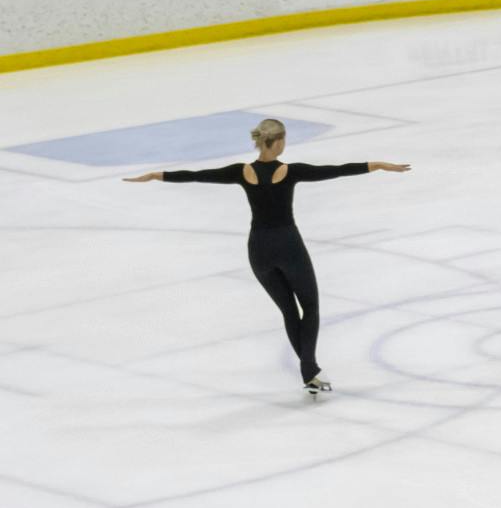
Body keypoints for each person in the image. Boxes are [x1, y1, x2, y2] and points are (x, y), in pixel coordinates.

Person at [123, 118, 410, 396]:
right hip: (288, 245)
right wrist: (380, 165)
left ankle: (310, 372)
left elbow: (197, 175)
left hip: (258, 249)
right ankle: (309, 369)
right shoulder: (291, 171)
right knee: (309, 308)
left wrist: (156, 175)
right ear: (279, 142)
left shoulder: (240, 171)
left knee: (288, 311)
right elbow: (337, 170)